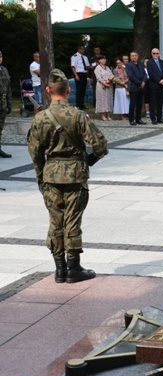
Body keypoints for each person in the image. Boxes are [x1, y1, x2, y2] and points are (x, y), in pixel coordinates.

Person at [26, 69, 109, 284]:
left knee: (56, 222)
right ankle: (73, 269)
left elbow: (35, 153)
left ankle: (60, 270)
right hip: (75, 175)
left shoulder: (40, 118)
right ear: (68, 90)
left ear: (47, 90)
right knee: (72, 221)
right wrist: (88, 161)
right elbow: (100, 145)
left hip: (51, 175)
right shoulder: (78, 116)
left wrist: (41, 176)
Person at [146, 47, 163, 125]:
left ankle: (159, 117)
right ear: (151, 54)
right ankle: (153, 118)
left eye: (157, 53)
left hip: (161, 85)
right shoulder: (149, 62)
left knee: (160, 102)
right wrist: (159, 80)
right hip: (154, 85)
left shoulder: (162, 62)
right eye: (154, 53)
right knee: (153, 102)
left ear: (159, 54)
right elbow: (150, 73)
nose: (155, 55)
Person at [125, 51, 147, 126]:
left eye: (135, 55)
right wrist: (139, 83)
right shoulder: (129, 65)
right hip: (134, 87)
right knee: (133, 104)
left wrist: (143, 82)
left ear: (138, 56)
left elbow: (144, 74)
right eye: (132, 55)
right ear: (130, 57)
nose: (134, 57)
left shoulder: (141, 64)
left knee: (139, 104)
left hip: (141, 87)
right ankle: (131, 119)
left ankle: (138, 119)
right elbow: (131, 76)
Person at [93, 55, 114, 121]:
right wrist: (104, 83)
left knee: (108, 99)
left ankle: (108, 114)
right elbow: (98, 78)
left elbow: (111, 75)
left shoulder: (107, 68)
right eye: (102, 59)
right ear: (99, 61)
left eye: (104, 59)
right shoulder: (97, 68)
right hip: (101, 85)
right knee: (102, 99)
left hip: (109, 85)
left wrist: (110, 81)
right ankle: (103, 115)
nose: (104, 61)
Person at [0, 50, 12, 158]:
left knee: (0, 127)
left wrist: (9, 103)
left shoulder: (4, 70)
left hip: (2, 104)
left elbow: (8, 88)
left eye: (0, 56)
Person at [70, 45, 90, 110]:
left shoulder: (85, 57)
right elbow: (73, 66)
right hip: (79, 73)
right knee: (79, 90)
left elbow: (87, 66)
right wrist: (76, 75)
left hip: (84, 73)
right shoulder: (74, 57)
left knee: (83, 90)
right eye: (83, 49)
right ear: (79, 49)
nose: (84, 50)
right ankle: (78, 104)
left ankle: (82, 104)